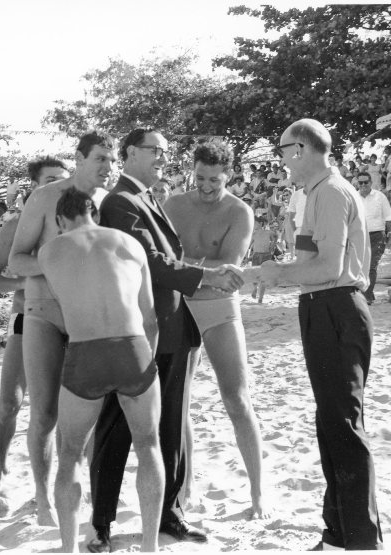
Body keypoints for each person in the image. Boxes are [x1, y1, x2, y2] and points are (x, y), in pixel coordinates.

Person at [88, 128, 243, 551]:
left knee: (172, 424)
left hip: (175, 328)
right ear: (130, 153)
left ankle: (170, 515)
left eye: (164, 151)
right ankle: (101, 522)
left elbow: (164, 259)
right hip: (140, 331)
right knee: (117, 426)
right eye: (154, 150)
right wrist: (206, 274)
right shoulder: (120, 201)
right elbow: (151, 261)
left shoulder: (147, 197)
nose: (162, 157)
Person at [258, 118, 383, 550]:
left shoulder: (329, 192)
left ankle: (361, 540)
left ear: (302, 149)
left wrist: (272, 273)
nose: (280, 159)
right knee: (330, 421)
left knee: (342, 424)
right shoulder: (314, 193)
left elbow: (328, 269)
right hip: (322, 307)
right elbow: (311, 261)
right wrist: (277, 272)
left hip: (335, 307)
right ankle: (339, 533)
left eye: (282, 149)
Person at [39, 187, 164, 552]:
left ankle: (69, 547)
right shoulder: (129, 244)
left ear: (61, 220)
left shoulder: (51, 250)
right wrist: (146, 364)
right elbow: (150, 317)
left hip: (86, 352)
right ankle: (151, 546)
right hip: (133, 347)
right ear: (93, 212)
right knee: (149, 446)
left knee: (70, 454)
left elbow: (60, 304)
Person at [7, 132, 117, 527]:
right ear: (80, 158)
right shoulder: (44, 197)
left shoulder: (110, 202)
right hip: (44, 312)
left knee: (91, 414)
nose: (108, 166)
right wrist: (61, 259)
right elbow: (16, 262)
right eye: (101, 158)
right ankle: (41, 496)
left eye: (113, 159)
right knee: (44, 414)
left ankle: (81, 491)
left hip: (89, 317)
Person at [164, 142, 269, 519]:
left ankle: (258, 492)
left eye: (215, 180)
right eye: (201, 178)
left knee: (237, 400)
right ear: (192, 170)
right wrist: (198, 271)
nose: (207, 186)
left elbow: (229, 274)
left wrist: (186, 267)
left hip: (220, 311)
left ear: (230, 176)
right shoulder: (173, 205)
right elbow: (162, 260)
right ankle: (187, 484)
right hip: (178, 307)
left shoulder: (239, 211)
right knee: (178, 403)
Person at [0, 155, 69, 517]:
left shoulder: (77, 222)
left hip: (70, 322)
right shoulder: (15, 226)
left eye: (62, 180)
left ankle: (49, 490)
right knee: (11, 402)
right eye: (49, 181)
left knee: (59, 412)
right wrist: (34, 278)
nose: (57, 188)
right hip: (25, 317)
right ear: (33, 187)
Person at [357, 172, 391, 304]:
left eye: (365, 182)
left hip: (376, 236)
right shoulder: (353, 196)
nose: (363, 185)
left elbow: (388, 217)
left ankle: (367, 296)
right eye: (360, 182)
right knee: (360, 266)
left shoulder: (380, 197)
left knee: (371, 266)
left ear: (370, 182)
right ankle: (365, 294)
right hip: (358, 236)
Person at [249, 217, 276, 303]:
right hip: (256, 255)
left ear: (261, 224)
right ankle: (254, 288)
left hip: (266, 255)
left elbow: (275, 238)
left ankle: (260, 298)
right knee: (255, 275)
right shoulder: (253, 233)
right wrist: (247, 256)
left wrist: (272, 247)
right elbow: (249, 245)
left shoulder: (269, 232)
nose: (253, 225)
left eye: (255, 223)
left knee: (263, 278)